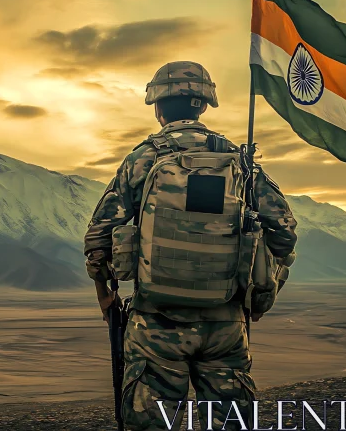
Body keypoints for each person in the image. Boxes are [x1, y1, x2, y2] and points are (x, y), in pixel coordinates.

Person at [84, 61, 298, 430]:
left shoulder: (143, 158)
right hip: (227, 322)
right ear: (203, 105)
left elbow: (100, 236)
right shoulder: (241, 163)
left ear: (158, 107)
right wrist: (261, 295)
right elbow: (283, 232)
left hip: (155, 322)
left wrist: (105, 291)